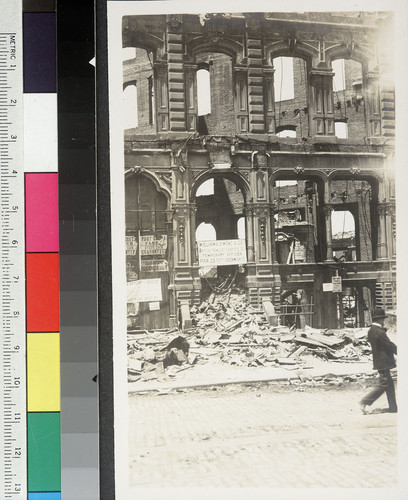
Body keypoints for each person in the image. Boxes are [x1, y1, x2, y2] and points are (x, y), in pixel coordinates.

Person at [360, 308, 397, 414]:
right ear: (380, 319)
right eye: (383, 319)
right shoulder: (379, 332)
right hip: (384, 362)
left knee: (389, 385)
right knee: (384, 385)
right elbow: (389, 345)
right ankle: (365, 401)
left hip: (379, 361)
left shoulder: (372, 330)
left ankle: (393, 407)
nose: (384, 321)